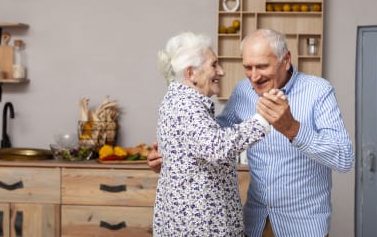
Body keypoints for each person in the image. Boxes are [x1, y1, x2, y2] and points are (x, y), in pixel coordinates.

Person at [148, 29, 354, 237]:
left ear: (286, 59)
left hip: (303, 227)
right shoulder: (243, 91)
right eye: (248, 67)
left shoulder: (318, 91)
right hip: (255, 225)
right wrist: (176, 155)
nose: (254, 77)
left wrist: (292, 128)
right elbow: (214, 137)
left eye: (262, 66)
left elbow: (344, 158)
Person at [152, 31, 286, 237]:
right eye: (214, 64)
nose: (221, 72)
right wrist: (263, 119)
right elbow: (217, 147)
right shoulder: (186, 106)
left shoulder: (178, 101)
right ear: (191, 73)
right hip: (200, 227)